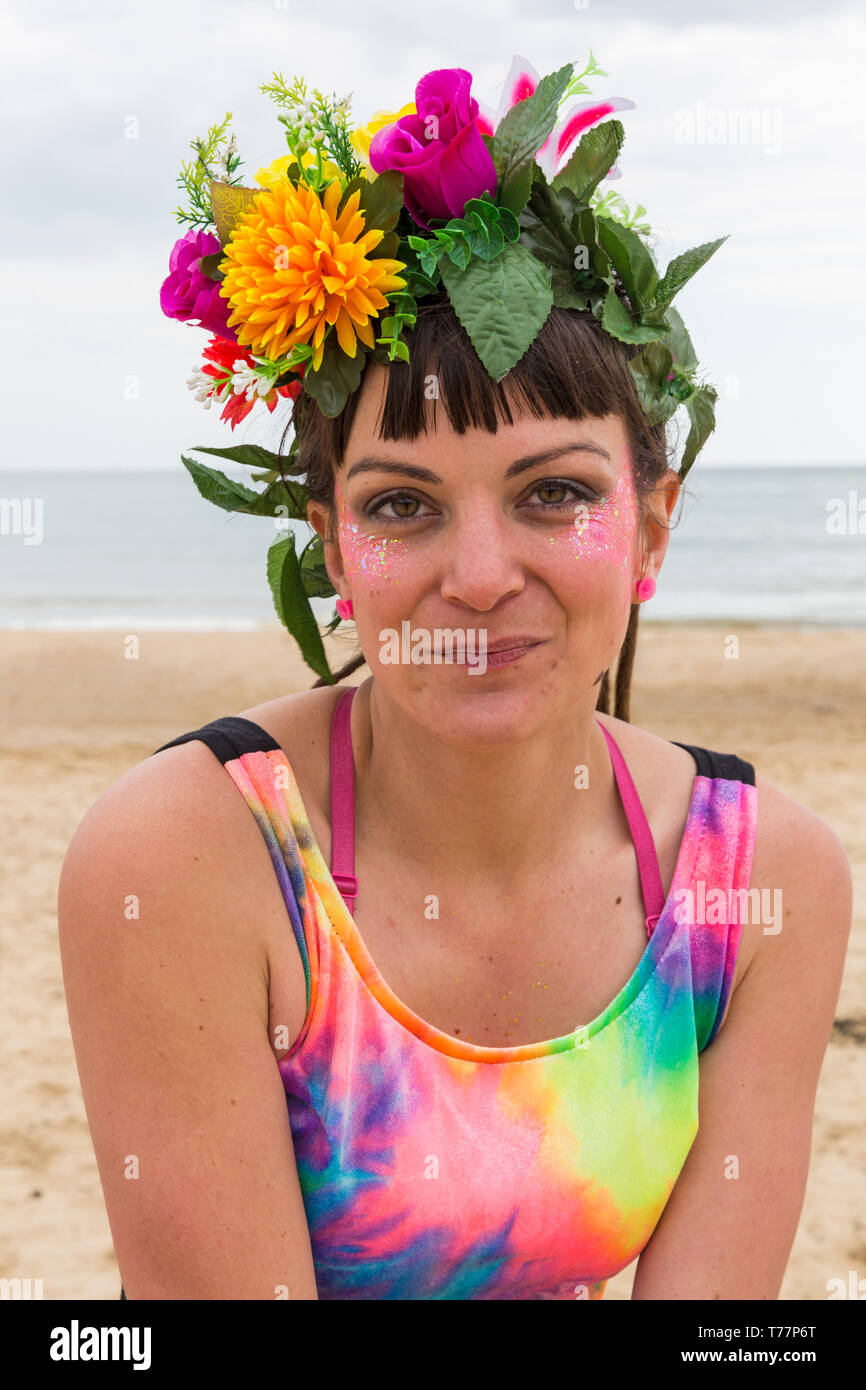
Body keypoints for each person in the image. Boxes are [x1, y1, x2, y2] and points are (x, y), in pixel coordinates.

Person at [58, 59, 852, 1301]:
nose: (480, 577)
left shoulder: (758, 882)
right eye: (401, 505)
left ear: (650, 529)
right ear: (332, 549)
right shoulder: (187, 859)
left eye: (554, 493)